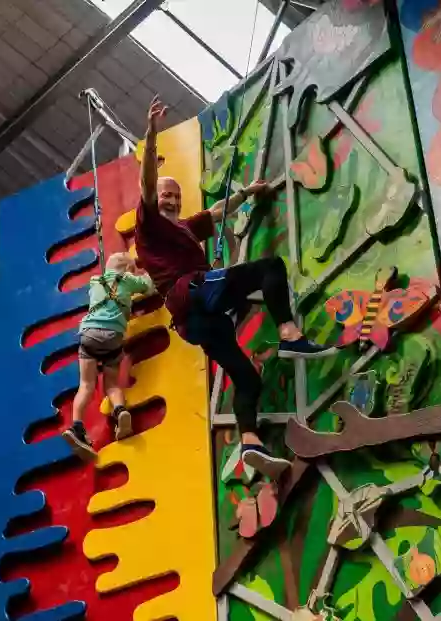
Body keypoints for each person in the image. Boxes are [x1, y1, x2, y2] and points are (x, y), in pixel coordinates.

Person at [135, 96, 338, 479]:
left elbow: (215, 213)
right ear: (154, 199)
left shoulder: (182, 228)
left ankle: (249, 442)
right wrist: (150, 135)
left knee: (246, 378)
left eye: (176, 196)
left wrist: (247, 192)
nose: (172, 200)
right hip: (191, 292)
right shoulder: (149, 225)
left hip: (197, 323)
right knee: (270, 268)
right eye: (166, 195)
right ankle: (289, 333)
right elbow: (147, 182)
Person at [62, 252, 154, 460]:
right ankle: (121, 410)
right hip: (113, 336)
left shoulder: (95, 282)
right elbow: (148, 286)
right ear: (128, 270)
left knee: (86, 385)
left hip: (89, 335)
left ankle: (76, 427)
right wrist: (145, 273)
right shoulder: (128, 280)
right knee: (111, 384)